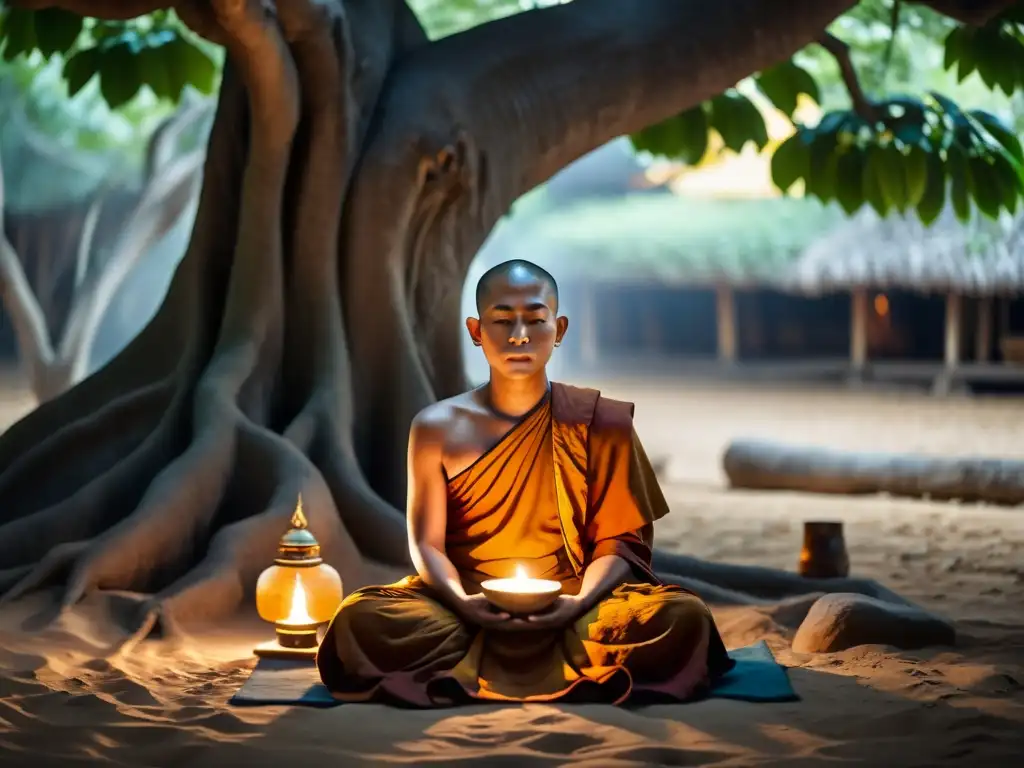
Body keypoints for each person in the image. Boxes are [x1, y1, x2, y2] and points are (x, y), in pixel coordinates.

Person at [316, 259, 734, 706]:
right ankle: (549, 660)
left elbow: (619, 544)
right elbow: (427, 544)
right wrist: (462, 602)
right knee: (360, 619)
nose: (519, 335)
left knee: (682, 617)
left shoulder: (601, 423)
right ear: (476, 331)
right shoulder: (435, 427)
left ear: (560, 328)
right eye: (502, 320)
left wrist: (576, 605)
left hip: (578, 602)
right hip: (465, 605)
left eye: (536, 320)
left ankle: (513, 655)